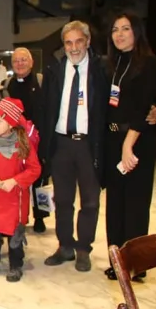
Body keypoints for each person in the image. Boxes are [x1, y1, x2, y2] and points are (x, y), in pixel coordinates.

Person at [40, 21, 109, 272]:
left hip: (89, 144)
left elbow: (110, 110)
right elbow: (46, 109)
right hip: (61, 144)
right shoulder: (55, 70)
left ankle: (84, 249)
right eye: (69, 42)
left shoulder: (102, 70)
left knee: (90, 201)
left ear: (88, 42)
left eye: (79, 41)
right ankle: (65, 246)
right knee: (63, 200)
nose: (74, 47)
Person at [103, 12, 156, 282]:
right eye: (115, 29)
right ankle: (118, 261)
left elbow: (142, 106)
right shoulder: (112, 64)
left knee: (136, 203)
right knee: (115, 204)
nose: (119, 34)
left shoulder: (148, 63)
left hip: (137, 140)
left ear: (136, 32)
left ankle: (136, 266)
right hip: (114, 139)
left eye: (125, 28)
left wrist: (128, 146)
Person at [0, 98, 41, 282]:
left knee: (14, 234)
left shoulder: (23, 145)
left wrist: (15, 181)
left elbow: (34, 169)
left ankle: (16, 264)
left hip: (14, 199)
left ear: (11, 124)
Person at [0, 47, 48, 233]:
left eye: (23, 60)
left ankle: (41, 217)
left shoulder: (42, 81)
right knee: (19, 177)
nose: (19, 64)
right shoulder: (7, 85)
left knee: (40, 180)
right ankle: (18, 216)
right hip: (17, 139)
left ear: (31, 62)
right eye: (16, 61)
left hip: (38, 138)